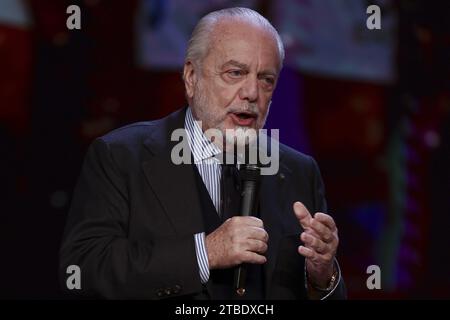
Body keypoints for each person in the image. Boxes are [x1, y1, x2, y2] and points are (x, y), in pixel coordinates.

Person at [59, 7, 346, 300]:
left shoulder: (299, 171)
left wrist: (322, 276)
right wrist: (204, 253)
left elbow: (324, 292)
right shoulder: (120, 157)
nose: (252, 93)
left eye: (266, 79)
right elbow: (83, 271)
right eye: (236, 73)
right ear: (191, 77)